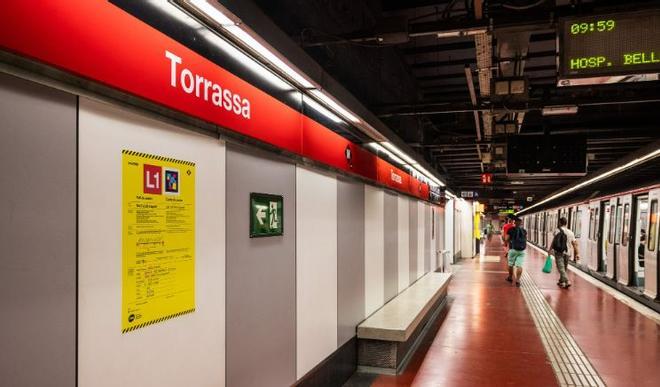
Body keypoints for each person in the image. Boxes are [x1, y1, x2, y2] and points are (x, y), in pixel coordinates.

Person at [549, 217, 579, 289]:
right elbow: (574, 243)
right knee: (564, 268)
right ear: (566, 223)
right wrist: (577, 253)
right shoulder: (571, 232)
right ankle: (561, 281)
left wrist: (550, 249)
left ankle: (567, 280)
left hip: (559, 252)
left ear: (560, 223)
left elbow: (554, 241)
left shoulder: (557, 231)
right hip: (568, 252)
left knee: (561, 268)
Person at [505, 216, 527, 287]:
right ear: (521, 223)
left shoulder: (511, 229)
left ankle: (510, 277)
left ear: (514, 222)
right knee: (519, 266)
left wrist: (507, 241)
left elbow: (506, 239)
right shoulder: (524, 231)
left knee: (510, 264)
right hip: (521, 251)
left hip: (513, 249)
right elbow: (525, 240)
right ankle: (517, 280)